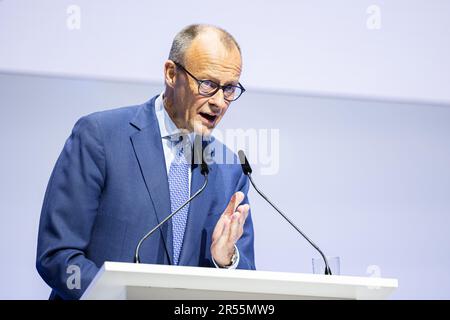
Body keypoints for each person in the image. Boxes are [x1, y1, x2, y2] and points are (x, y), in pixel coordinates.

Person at [36, 24, 256, 300]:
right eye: (208, 85)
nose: (220, 103)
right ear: (171, 74)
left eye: (230, 89)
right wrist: (116, 296)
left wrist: (226, 261)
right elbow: (57, 257)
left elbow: (246, 278)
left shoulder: (229, 170)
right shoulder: (99, 137)